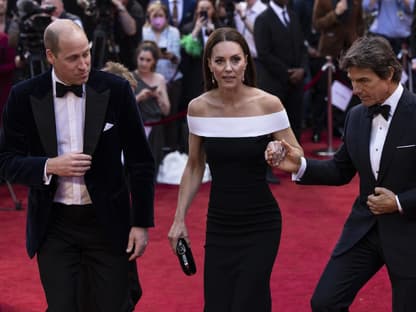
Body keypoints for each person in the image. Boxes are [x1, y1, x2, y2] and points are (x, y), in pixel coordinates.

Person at [0, 19, 155, 312]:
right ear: (50, 56)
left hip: (107, 223)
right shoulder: (24, 96)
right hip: (54, 225)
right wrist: (49, 166)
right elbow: (5, 161)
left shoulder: (116, 90)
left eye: (86, 53)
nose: (84, 64)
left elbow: (141, 161)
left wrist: (141, 223)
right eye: (73, 57)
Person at [266, 35, 416, 312]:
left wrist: (398, 202)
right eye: (353, 80)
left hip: (410, 229)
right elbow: (340, 169)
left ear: (390, 74)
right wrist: (299, 165)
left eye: (364, 81)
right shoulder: (357, 115)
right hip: (365, 229)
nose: (356, 89)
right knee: (325, 302)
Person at [168, 27, 302, 311]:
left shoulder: (268, 104)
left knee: (248, 301)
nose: (228, 68)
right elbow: (194, 166)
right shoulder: (198, 108)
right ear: (209, 65)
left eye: (235, 59)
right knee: (217, 303)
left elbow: (298, 157)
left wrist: (280, 152)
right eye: (220, 61)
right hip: (219, 224)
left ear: (246, 62)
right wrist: (179, 219)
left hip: (262, 222)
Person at [132, 40, 171, 173]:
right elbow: (123, 109)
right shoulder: (130, 78)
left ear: (154, 61)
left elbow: (166, 110)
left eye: (148, 60)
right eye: (141, 59)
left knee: (153, 164)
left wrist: (159, 97)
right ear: (136, 58)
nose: (144, 63)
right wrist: (139, 97)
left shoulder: (159, 79)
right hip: (138, 128)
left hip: (156, 128)